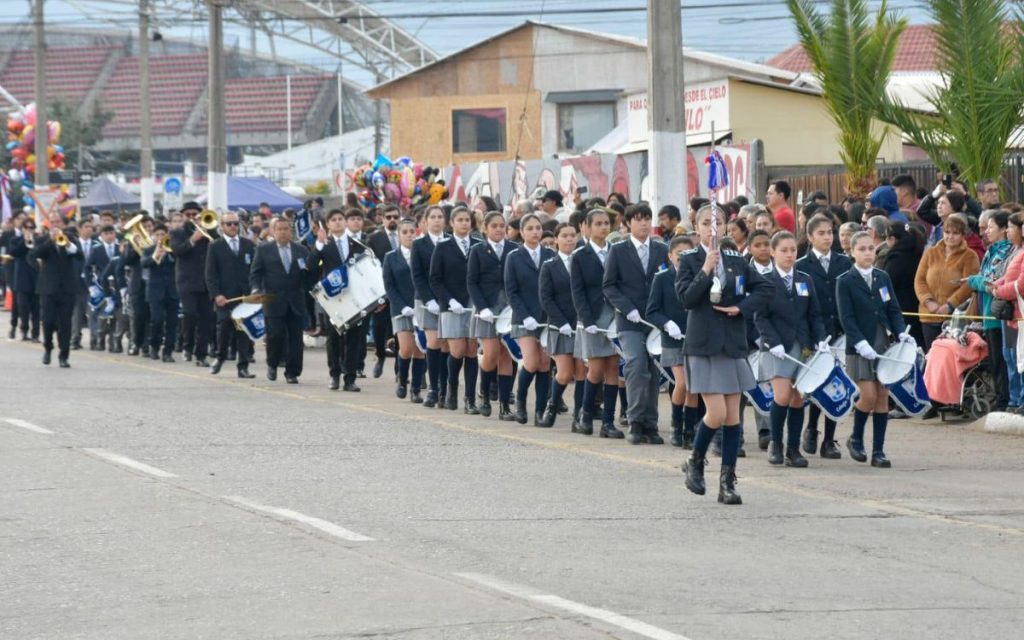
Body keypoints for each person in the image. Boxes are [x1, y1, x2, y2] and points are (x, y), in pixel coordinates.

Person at [677, 204, 773, 504]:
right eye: (707, 223)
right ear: (697, 227)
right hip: (703, 345)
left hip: (732, 344)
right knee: (716, 413)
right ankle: (695, 460)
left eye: (718, 222)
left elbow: (764, 290)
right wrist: (706, 269)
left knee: (733, 417)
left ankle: (727, 481)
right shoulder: (689, 260)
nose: (713, 228)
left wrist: (740, 308)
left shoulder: (736, 260)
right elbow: (687, 299)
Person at [837, 231, 913, 468]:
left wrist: (901, 332)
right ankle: (856, 437)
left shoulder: (882, 277)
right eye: (862, 249)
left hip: (883, 343)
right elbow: (846, 318)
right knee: (868, 395)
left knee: (882, 396)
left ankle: (878, 451)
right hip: (859, 345)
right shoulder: (845, 281)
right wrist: (859, 342)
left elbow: (893, 309)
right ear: (852, 252)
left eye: (871, 248)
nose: (867, 253)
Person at [756, 231, 828, 467]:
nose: (789, 255)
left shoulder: (805, 279)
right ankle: (776, 443)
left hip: (802, 345)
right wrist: (771, 341)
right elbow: (760, 316)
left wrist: (820, 339)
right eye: (784, 250)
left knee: (798, 398)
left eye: (792, 250)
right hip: (777, 346)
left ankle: (794, 449)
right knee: (783, 395)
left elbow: (814, 314)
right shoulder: (765, 281)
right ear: (773, 252)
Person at [602, 203, 670, 444]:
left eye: (647, 219)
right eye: (638, 219)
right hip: (629, 320)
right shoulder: (618, 250)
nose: (643, 223)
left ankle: (650, 424)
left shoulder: (662, 249)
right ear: (628, 223)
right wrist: (626, 307)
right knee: (636, 365)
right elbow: (609, 285)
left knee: (653, 372)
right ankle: (635, 420)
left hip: (654, 320)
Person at [795, 214, 853, 458]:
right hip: (812, 334)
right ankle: (810, 428)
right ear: (810, 237)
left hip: (838, 332)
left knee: (835, 383)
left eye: (830, 232)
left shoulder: (844, 263)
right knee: (816, 384)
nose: (827, 237)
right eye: (821, 233)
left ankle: (829, 439)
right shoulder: (801, 265)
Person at [571, 208, 624, 438]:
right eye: (599, 223)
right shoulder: (580, 255)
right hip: (592, 318)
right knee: (595, 369)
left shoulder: (617, 251)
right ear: (588, 227)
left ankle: (608, 422)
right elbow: (578, 291)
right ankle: (585, 414)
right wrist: (586, 319)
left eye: (606, 223)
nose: (604, 227)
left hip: (614, 317)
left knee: (613, 368)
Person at [430, 206, 481, 413]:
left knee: (471, 350)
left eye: (467, 220)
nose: (464, 223)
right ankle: (450, 390)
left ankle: (470, 399)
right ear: (452, 223)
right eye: (460, 220)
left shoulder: (479, 245)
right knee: (457, 350)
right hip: (451, 305)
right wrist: (449, 301)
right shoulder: (443, 247)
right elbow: (435, 280)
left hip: (473, 303)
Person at [505, 213, 555, 425]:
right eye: (530, 228)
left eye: (538, 228)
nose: (535, 232)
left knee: (544, 364)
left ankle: (540, 411)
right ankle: (521, 403)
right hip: (523, 318)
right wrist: (525, 316)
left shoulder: (550, 255)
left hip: (546, 318)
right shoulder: (514, 257)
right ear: (522, 232)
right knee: (532, 362)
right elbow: (511, 292)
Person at [647, 235, 697, 447]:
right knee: (683, 383)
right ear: (670, 255)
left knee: (694, 386)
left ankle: (690, 429)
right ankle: (677, 424)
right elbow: (652, 311)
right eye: (679, 254)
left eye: (687, 254)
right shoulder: (662, 277)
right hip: (673, 339)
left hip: (695, 337)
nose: (682, 259)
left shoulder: (698, 276)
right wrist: (666, 324)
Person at [468, 211, 517, 420]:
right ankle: (484, 394)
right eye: (494, 225)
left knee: (507, 354)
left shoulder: (514, 250)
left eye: (502, 225)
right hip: (487, 308)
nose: (499, 229)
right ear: (485, 229)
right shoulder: (477, 250)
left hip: (508, 309)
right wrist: (482, 307)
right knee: (491, 353)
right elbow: (472, 282)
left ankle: (505, 406)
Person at [310, 209, 367, 391]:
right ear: (327, 224)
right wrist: (318, 245)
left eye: (340, 219)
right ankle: (334, 374)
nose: (337, 222)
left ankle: (350, 378)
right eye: (333, 220)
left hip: (353, 297)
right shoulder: (324, 245)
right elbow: (310, 266)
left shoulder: (357, 244)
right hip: (333, 298)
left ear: (345, 222)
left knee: (354, 337)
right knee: (334, 337)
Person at [250, 217, 311, 384]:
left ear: (290, 231)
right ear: (273, 231)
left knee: (295, 339)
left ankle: (292, 372)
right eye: (279, 229)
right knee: (275, 335)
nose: (283, 232)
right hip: (273, 300)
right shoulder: (264, 250)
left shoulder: (301, 250)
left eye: (286, 229)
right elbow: (255, 273)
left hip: (295, 301)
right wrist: (256, 289)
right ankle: (272, 363)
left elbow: (308, 274)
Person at [538, 223, 585, 428]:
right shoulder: (549, 265)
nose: (569, 239)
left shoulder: (583, 262)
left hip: (581, 325)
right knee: (565, 372)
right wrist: (562, 322)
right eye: (564, 236)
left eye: (572, 235)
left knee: (583, 373)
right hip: (560, 326)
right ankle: (552, 406)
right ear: (556, 239)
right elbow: (546, 299)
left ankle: (579, 416)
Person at [967, 210, 1013, 412]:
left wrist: (973, 281)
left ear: (1004, 229)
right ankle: (1001, 399)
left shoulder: (1006, 251)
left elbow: (990, 280)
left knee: (1003, 362)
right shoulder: (990, 251)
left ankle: (1006, 401)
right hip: (987, 312)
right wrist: (978, 280)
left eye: (991, 227)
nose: (986, 232)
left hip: (999, 314)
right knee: (995, 361)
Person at [914, 215, 979, 350]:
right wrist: (928, 301)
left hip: (954, 318)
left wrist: (950, 305)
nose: (950, 237)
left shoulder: (970, 256)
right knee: (931, 356)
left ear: (963, 235)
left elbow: (968, 284)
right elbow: (919, 280)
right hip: (928, 315)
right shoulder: (930, 252)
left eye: (955, 233)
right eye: (947, 232)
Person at [205, 211, 256, 379]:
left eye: (236, 223)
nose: (233, 227)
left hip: (244, 297)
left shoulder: (248, 244)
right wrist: (216, 294)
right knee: (224, 328)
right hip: (224, 297)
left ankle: (243, 366)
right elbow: (210, 274)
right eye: (229, 224)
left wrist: (254, 290)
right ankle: (219, 358)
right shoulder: (215, 246)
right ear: (222, 226)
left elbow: (254, 271)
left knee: (243, 332)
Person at [382, 218, 426, 403]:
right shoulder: (391, 257)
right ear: (399, 235)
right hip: (400, 308)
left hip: (420, 307)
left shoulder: (423, 254)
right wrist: (402, 306)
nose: (409, 235)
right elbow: (389, 286)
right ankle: (402, 379)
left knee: (419, 350)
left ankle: (416, 389)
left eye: (411, 232)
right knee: (406, 348)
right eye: (405, 232)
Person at [411, 205, 450, 407]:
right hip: (426, 300)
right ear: (425, 221)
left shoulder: (451, 241)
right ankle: (433, 389)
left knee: (447, 344)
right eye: (432, 217)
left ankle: (446, 388)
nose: (436, 220)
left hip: (449, 299)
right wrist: (429, 300)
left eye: (440, 217)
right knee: (433, 342)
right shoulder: (419, 244)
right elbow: (417, 276)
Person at [30, 214, 81, 368]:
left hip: (67, 288)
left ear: (63, 223)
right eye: (52, 222)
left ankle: (64, 356)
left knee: (65, 323)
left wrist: (67, 245)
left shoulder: (71, 237)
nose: (55, 224)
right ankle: (48, 348)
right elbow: (35, 255)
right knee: (48, 321)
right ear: (48, 224)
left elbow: (80, 255)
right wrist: (50, 241)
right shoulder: (41, 239)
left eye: (58, 222)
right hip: (48, 288)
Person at [169, 201, 214, 366]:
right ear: (183, 217)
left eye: (195, 214)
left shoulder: (210, 230)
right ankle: (187, 345)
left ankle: (201, 355)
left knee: (205, 318)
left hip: (205, 282)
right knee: (190, 314)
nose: (192, 217)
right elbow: (178, 251)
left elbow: (217, 247)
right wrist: (193, 239)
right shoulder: (177, 233)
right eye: (188, 215)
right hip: (186, 281)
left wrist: (209, 231)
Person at [992, 212, 1024, 412]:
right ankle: (1017, 400)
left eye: (1012, 227)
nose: (1008, 230)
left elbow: (1020, 285)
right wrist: (997, 284)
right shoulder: (1016, 251)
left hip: (1020, 312)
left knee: (1018, 355)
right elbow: (1007, 276)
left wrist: (999, 291)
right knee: (1012, 356)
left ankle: (1020, 399)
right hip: (1013, 313)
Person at [366, 205, 401, 379]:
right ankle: (380, 356)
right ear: (382, 219)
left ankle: (399, 368)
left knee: (400, 332)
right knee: (379, 329)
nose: (392, 219)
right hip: (381, 292)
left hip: (401, 292)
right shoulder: (374, 238)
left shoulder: (406, 236)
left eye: (395, 216)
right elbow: (368, 266)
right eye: (388, 217)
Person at [883, 220, 925, 347]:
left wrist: (884, 302)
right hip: (917, 307)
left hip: (902, 309)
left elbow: (886, 285)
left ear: (893, 239)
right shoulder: (917, 252)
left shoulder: (895, 258)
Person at [142, 224, 178, 362]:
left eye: (163, 234)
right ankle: (154, 346)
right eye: (157, 235)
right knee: (156, 320)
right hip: (155, 291)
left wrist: (169, 252)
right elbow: (144, 263)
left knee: (172, 323)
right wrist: (156, 254)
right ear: (153, 236)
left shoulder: (173, 249)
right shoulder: (149, 249)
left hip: (172, 290)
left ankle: (168, 352)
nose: (160, 237)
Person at [7, 219, 40, 342]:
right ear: (22, 229)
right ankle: (24, 330)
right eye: (26, 227)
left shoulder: (38, 241)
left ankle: (35, 334)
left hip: (36, 279)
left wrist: (32, 242)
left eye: (31, 228)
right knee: (22, 308)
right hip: (21, 279)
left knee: (36, 309)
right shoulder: (15, 240)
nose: (29, 230)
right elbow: (14, 253)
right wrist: (24, 240)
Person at [72, 219, 95, 350]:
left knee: (93, 312)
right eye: (86, 226)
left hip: (93, 284)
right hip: (77, 283)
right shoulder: (73, 245)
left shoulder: (96, 244)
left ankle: (94, 340)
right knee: (77, 313)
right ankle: (75, 338)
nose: (89, 229)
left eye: (91, 227)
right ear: (79, 229)